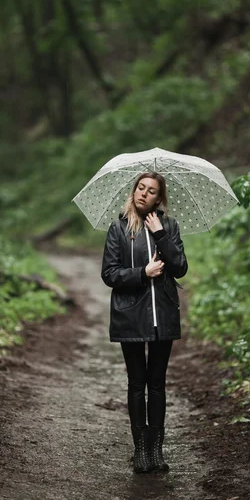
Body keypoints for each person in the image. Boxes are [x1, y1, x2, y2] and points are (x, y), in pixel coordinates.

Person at [101, 172, 188, 474]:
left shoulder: (170, 226)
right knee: (137, 383)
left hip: (162, 314)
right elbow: (109, 273)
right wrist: (143, 272)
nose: (144, 194)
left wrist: (161, 233)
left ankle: (156, 450)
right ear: (133, 190)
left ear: (159, 198)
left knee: (158, 383)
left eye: (151, 191)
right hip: (131, 316)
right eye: (140, 188)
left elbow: (180, 268)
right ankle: (140, 450)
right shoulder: (119, 228)